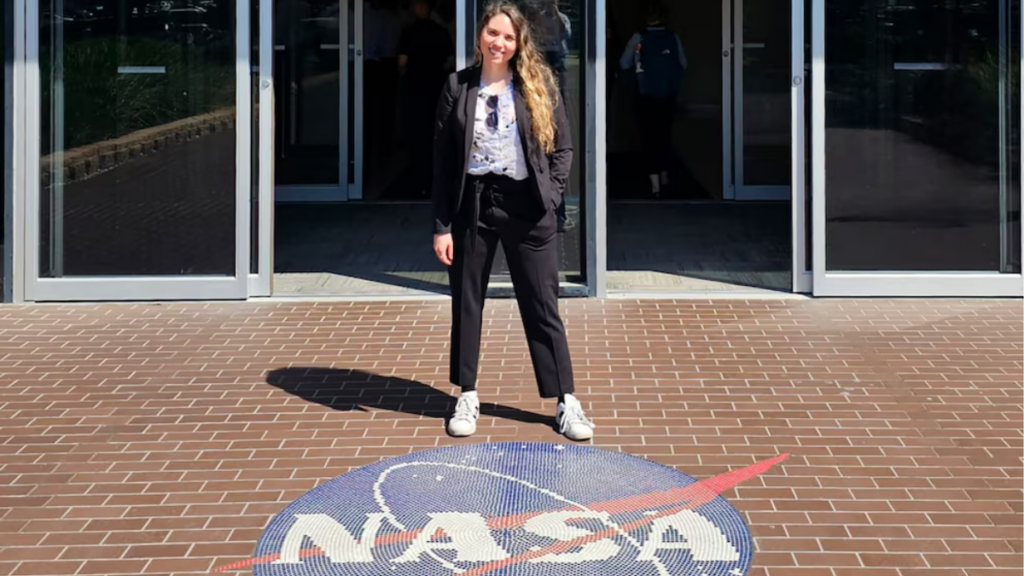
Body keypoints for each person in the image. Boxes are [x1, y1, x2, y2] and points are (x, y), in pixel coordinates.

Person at [431, 0, 594, 441]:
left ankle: (566, 400)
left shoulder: (537, 85)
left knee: (542, 305)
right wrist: (442, 226)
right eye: (492, 33)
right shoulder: (457, 86)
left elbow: (563, 149)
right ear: (480, 36)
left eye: (507, 36)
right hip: (473, 204)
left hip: (527, 205)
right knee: (467, 303)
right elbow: (443, 163)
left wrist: (551, 196)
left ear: (518, 43)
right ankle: (467, 394)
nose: (498, 43)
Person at [619, 1, 686, 197]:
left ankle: (655, 186)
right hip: (668, 95)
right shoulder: (672, 37)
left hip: (645, 96)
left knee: (648, 138)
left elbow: (624, 64)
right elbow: (683, 63)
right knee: (665, 135)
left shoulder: (639, 37)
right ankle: (665, 177)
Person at [398, 0, 455, 195]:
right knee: (434, 131)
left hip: (414, 87)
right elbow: (450, 61)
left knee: (415, 132)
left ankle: (417, 177)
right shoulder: (441, 31)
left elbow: (402, 61)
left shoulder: (408, 31)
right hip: (435, 86)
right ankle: (433, 177)